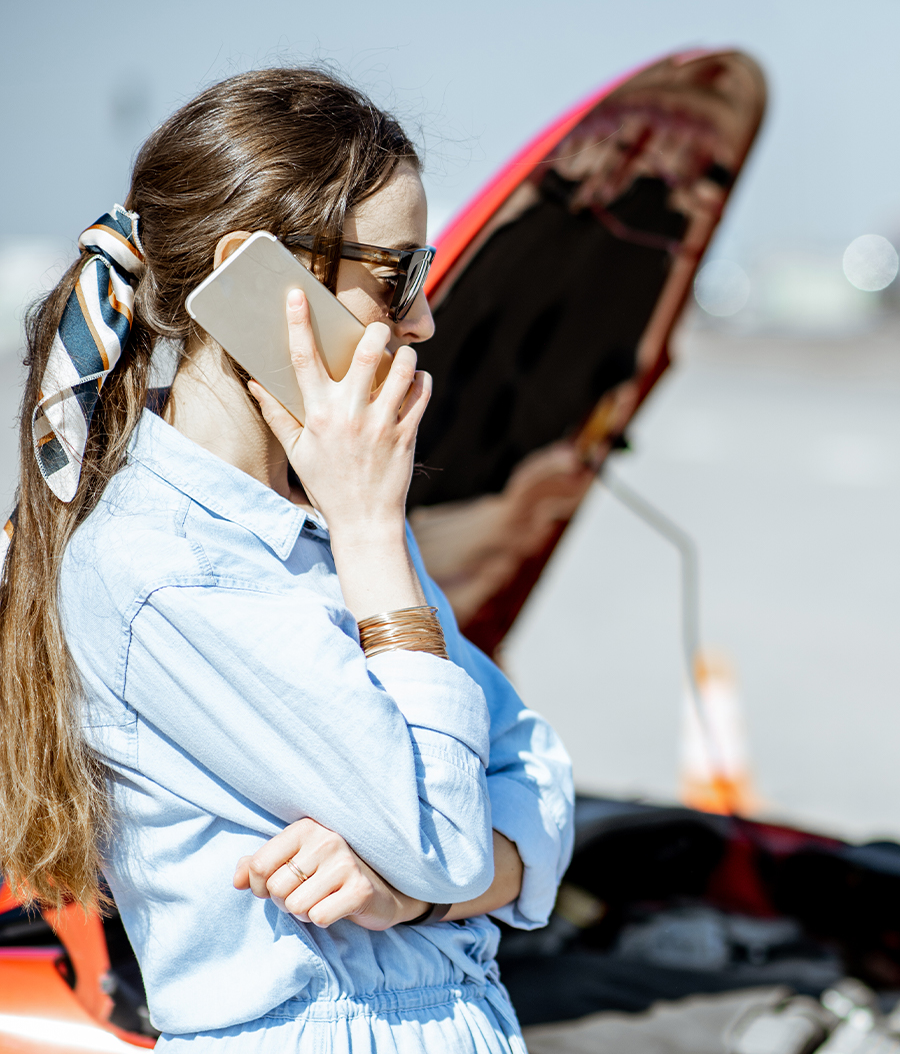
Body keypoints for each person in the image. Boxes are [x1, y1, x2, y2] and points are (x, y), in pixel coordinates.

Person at [0, 69, 574, 1050]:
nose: (424, 320)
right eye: (394, 276)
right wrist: (368, 532)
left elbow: (537, 769)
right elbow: (446, 836)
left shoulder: (319, 516)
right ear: (257, 282)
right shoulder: (161, 572)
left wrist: (419, 895)